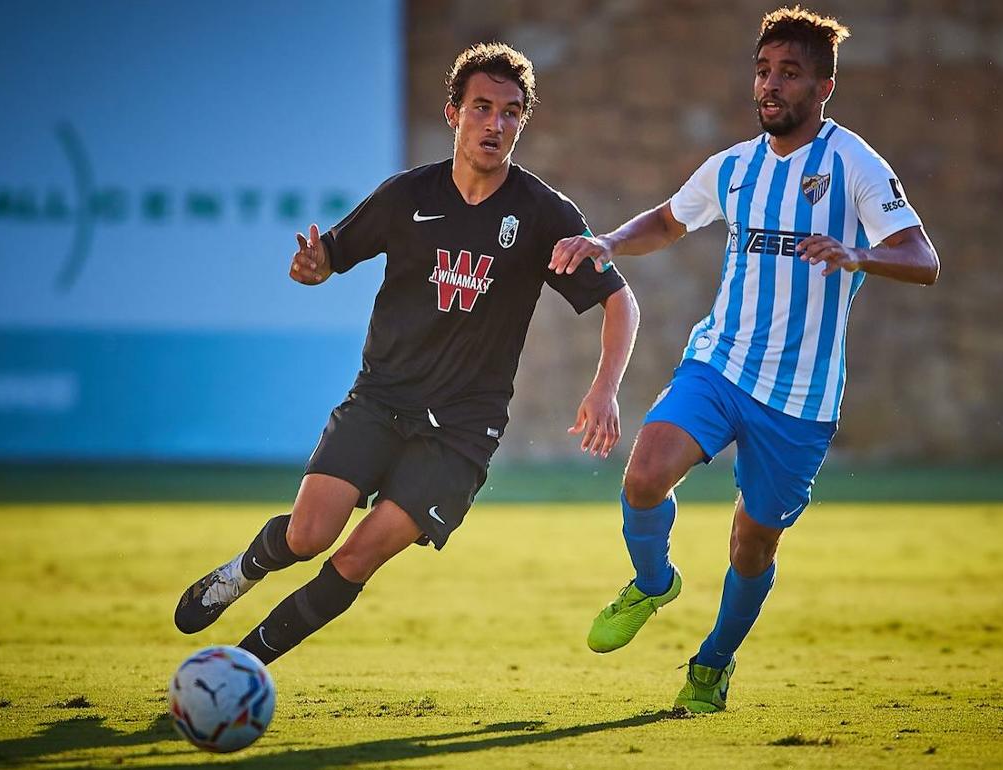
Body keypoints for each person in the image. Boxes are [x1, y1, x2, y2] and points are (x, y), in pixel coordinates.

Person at [175, 43, 639, 665]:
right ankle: (243, 570)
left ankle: (240, 668)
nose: (495, 125)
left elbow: (619, 301)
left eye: (510, 112)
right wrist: (313, 268)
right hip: (381, 399)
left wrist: (604, 387)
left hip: (463, 430)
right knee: (309, 534)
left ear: (522, 122)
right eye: (481, 108)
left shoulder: (543, 214)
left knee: (355, 557)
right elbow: (329, 258)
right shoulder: (407, 196)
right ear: (453, 113)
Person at [550, 6, 939, 713]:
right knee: (643, 475)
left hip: (801, 401)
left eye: (789, 73)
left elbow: (923, 257)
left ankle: (712, 663)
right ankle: (654, 580)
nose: (770, 85)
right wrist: (606, 241)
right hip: (720, 365)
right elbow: (668, 221)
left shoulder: (853, 163)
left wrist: (858, 254)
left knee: (750, 544)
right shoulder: (734, 167)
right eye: (763, 71)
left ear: (824, 86)